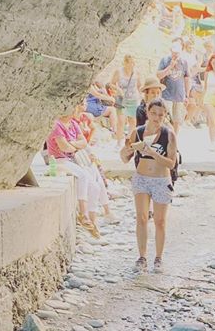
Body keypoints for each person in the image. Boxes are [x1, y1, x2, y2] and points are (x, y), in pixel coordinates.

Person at [120, 98, 178, 273]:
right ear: (147, 112)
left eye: (161, 115)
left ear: (165, 116)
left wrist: (152, 152)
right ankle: (142, 256)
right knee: (142, 217)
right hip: (141, 178)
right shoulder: (137, 133)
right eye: (153, 113)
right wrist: (129, 150)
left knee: (160, 221)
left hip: (161, 180)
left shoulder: (169, 134)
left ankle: (158, 257)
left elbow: (171, 163)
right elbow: (124, 158)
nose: (157, 117)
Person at [46, 113, 107, 238]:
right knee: (83, 176)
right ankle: (83, 213)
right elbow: (64, 147)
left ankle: (92, 222)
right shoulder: (56, 125)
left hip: (72, 159)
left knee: (95, 187)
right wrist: (75, 145)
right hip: (59, 160)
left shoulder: (73, 123)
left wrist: (72, 143)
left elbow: (83, 142)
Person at [156, 40, 190, 133]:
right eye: (174, 52)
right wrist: (170, 67)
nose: (175, 55)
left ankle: (174, 139)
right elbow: (158, 75)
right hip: (166, 95)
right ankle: (164, 137)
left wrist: (187, 95)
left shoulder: (184, 62)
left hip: (179, 95)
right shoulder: (165, 60)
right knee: (165, 118)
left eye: (177, 53)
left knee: (177, 120)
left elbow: (187, 79)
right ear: (171, 51)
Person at [114, 55, 141, 142]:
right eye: (129, 62)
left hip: (133, 99)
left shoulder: (136, 72)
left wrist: (141, 96)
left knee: (133, 121)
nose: (132, 65)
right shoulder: (118, 72)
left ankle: (129, 140)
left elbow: (139, 85)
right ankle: (118, 142)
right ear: (125, 62)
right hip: (120, 99)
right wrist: (118, 89)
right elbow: (111, 83)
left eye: (133, 63)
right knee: (121, 121)